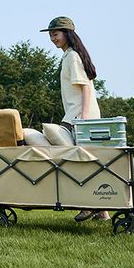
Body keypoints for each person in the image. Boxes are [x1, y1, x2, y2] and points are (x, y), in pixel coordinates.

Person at [40, 16, 110, 222]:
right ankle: (103, 212)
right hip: (76, 116)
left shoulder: (72, 57)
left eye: (56, 34)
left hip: (78, 118)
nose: (53, 38)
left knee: (76, 163)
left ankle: (87, 205)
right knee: (86, 163)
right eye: (51, 35)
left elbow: (85, 87)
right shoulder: (69, 56)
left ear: (67, 34)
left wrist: (84, 117)